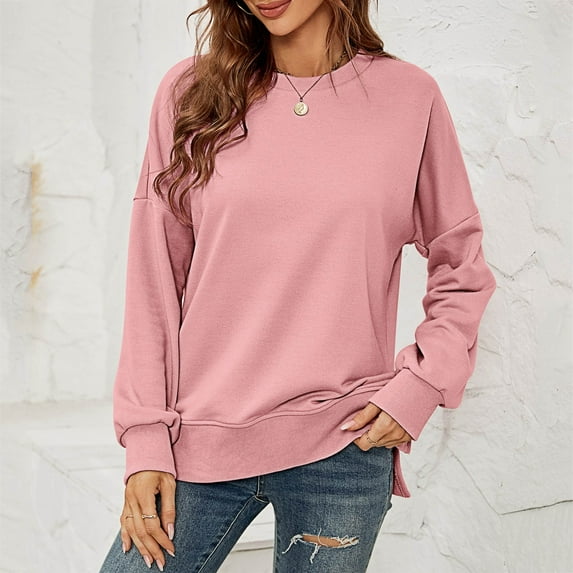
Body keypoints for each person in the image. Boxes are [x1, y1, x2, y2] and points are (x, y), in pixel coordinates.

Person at [98, 0, 496, 571]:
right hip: (197, 439)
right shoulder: (191, 93)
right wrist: (144, 437)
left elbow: (461, 265)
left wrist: (421, 386)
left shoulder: (410, 98)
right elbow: (153, 279)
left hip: (343, 442)